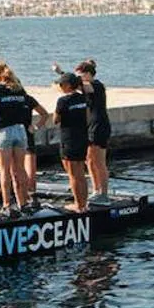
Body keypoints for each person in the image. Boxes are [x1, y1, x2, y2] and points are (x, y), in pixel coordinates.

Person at [0, 60, 45, 214]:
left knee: (4, 170)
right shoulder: (19, 90)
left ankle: (6, 204)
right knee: (19, 170)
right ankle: (23, 202)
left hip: (4, 132)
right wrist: (35, 126)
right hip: (20, 131)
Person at [53, 71, 90, 212]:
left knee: (73, 175)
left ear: (68, 86)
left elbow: (56, 120)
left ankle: (78, 205)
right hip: (82, 138)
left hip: (69, 139)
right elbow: (87, 117)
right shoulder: (82, 98)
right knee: (81, 173)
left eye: (61, 84)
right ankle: (84, 204)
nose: (60, 86)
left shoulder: (63, 101)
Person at [77, 59, 111, 204]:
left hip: (99, 126)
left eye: (81, 76)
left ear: (89, 74)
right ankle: (95, 189)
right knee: (89, 160)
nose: (79, 79)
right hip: (90, 126)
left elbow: (83, 86)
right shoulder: (84, 85)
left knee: (99, 161)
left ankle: (104, 193)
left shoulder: (97, 85)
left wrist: (63, 75)